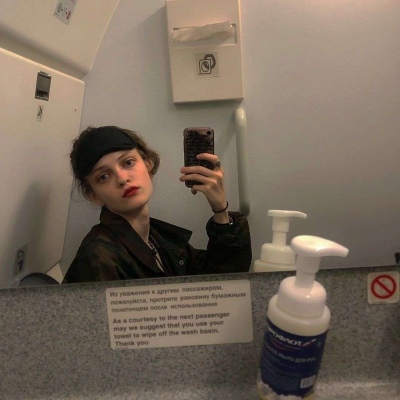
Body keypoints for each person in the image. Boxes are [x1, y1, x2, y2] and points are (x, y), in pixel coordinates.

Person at [62, 125, 251, 283]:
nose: (122, 178)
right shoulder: (99, 258)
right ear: (94, 195)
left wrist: (220, 208)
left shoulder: (158, 239)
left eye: (128, 163)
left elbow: (218, 283)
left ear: (148, 165)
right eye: (104, 176)